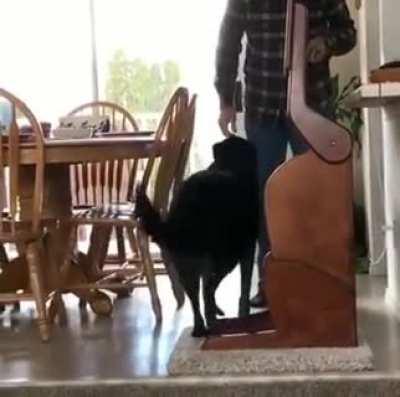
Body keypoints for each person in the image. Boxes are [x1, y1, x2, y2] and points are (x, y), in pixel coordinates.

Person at [215, 0, 357, 308]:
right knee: (266, 194)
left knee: (318, 193)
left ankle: (323, 280)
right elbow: (228, 40)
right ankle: (269, 284)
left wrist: (326, 43)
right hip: (262, 106)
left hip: (312, 104)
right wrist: (226, 99)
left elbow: (348, 33)